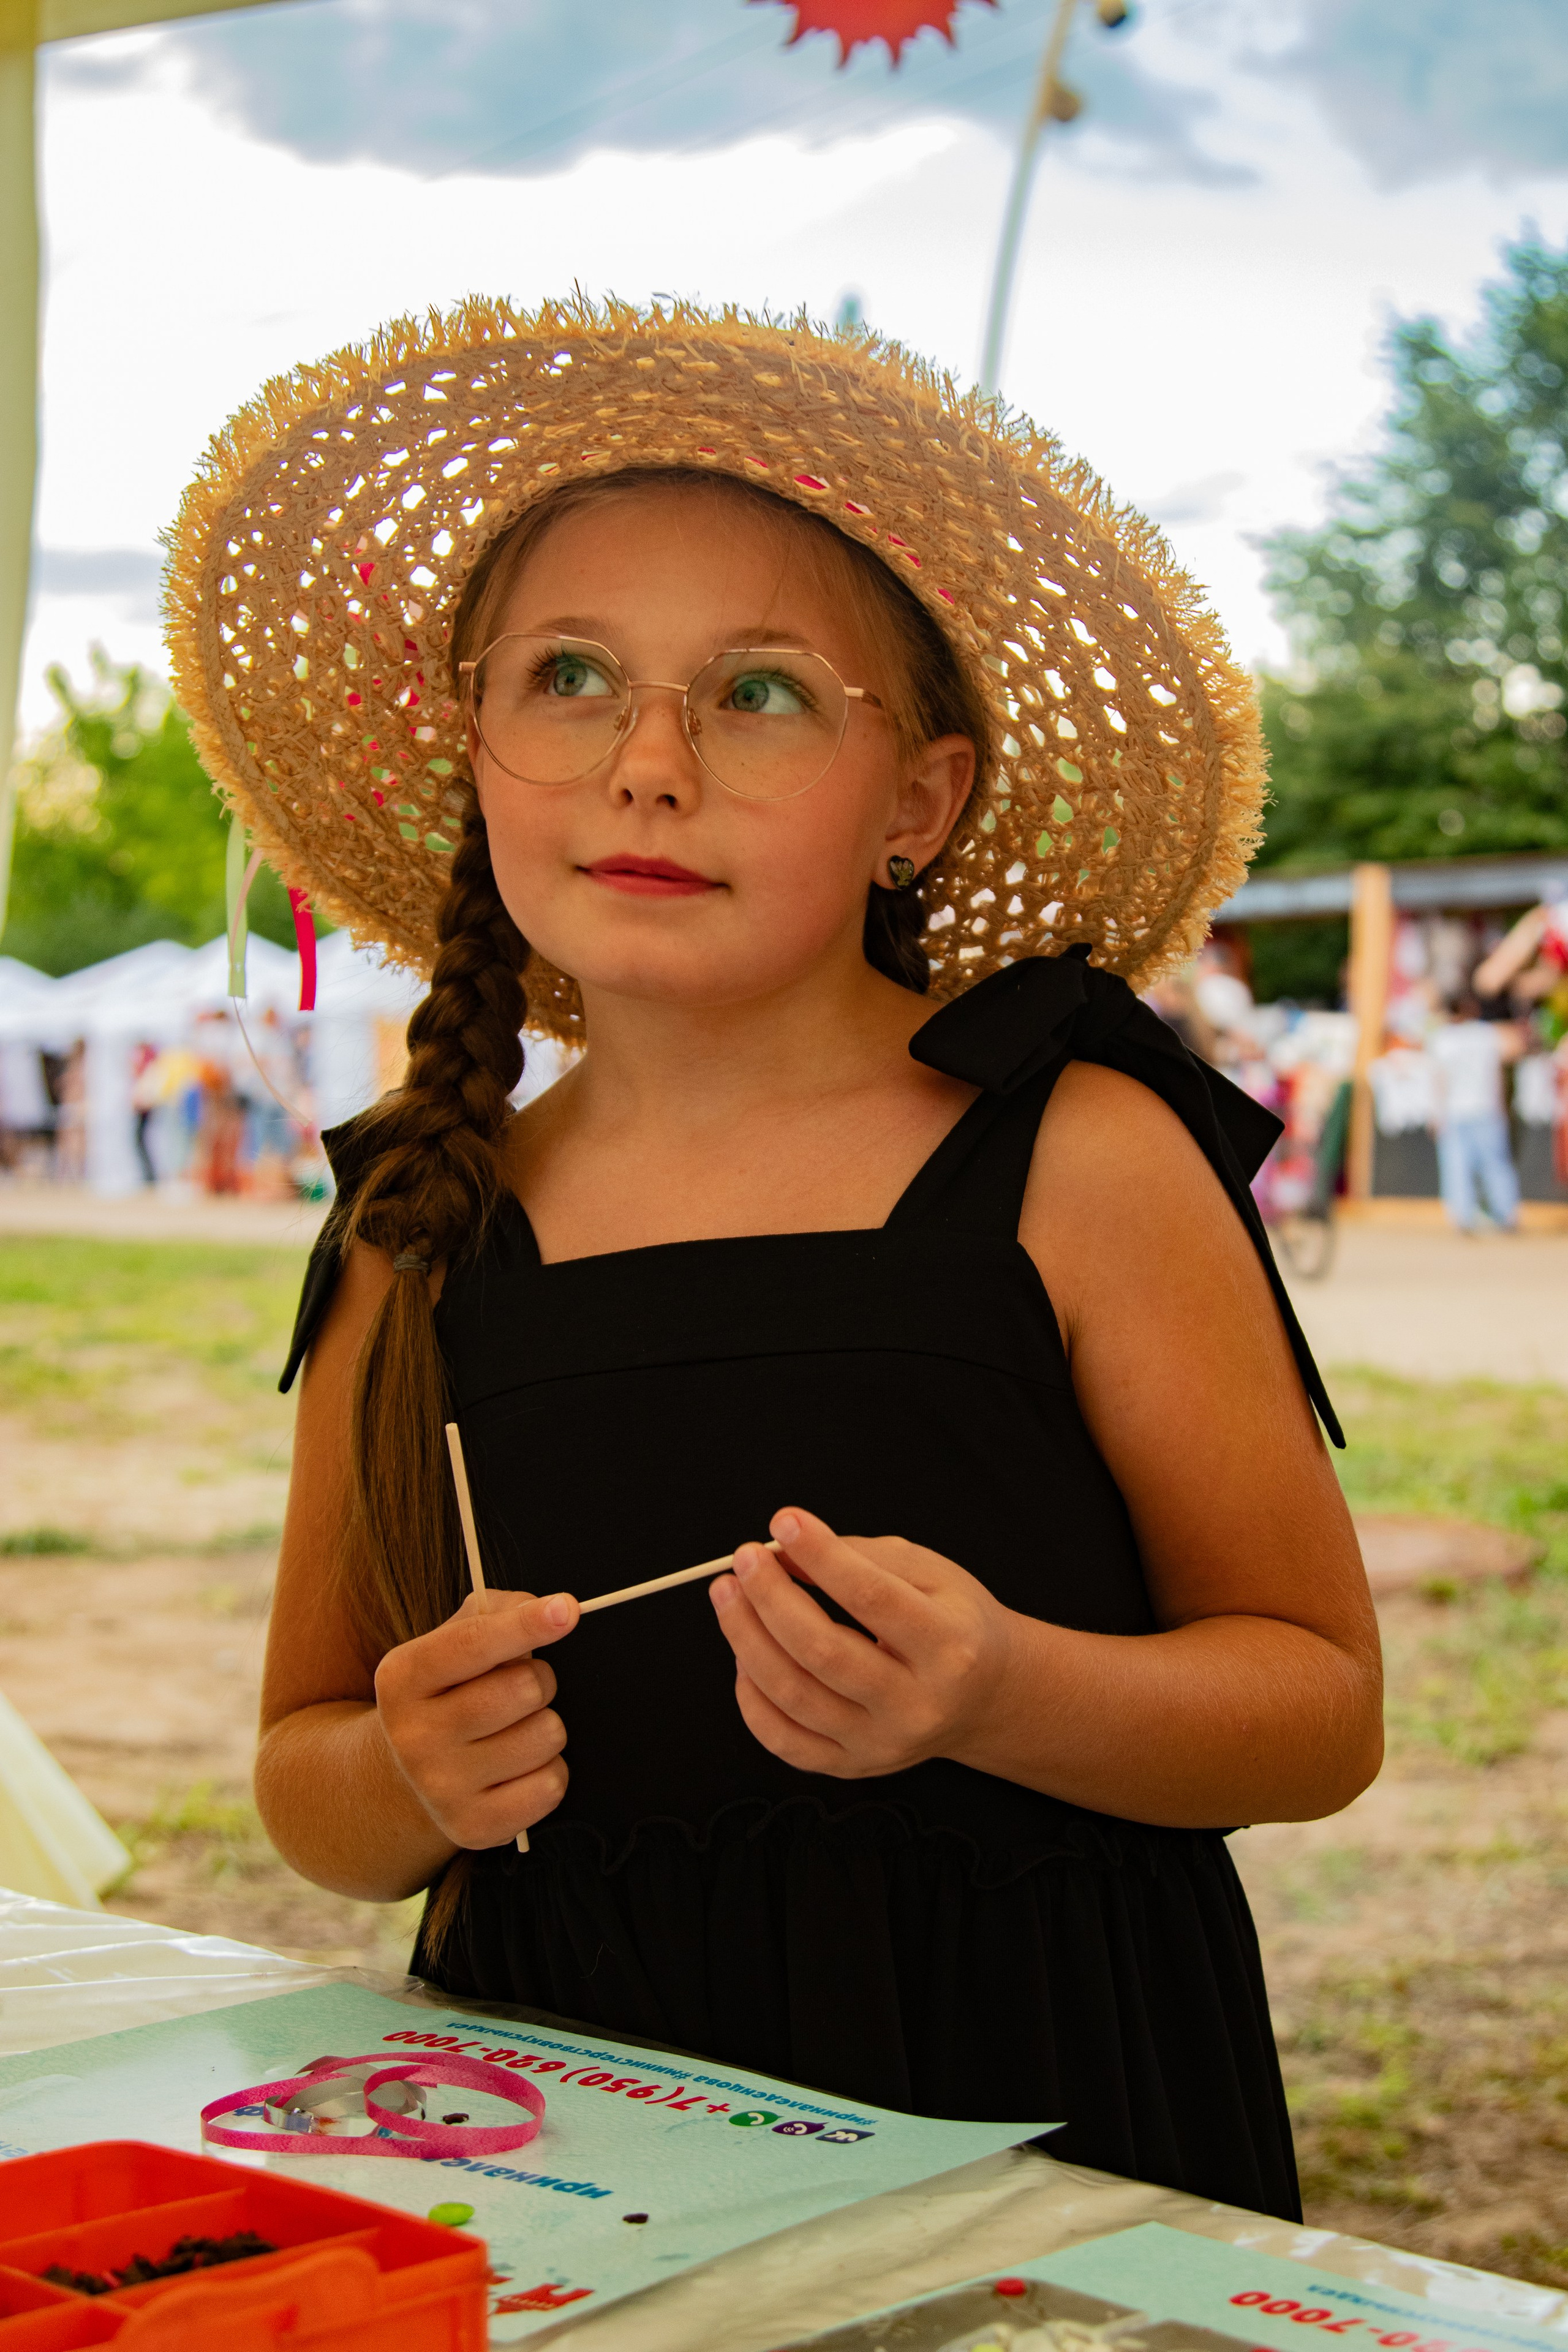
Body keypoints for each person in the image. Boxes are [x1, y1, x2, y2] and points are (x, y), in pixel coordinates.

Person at [165, 300, 1381, 2223]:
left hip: (1049, 2100)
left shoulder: (1076, 1152)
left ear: (920, 799)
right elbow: (310, 1769)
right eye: (570, 676)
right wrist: (410, 1770)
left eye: (756, 692)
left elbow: (1316, 1705)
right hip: (574, 2133)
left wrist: (1000, 1689)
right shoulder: (417, 1218)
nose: (648, 765)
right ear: (476, 747)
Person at [1428, 993, 1524, 1234]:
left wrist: (1436, 1114)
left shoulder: (1442, 1039)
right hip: (1486, 1109)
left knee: (1456, 1167)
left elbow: (1440, 1081)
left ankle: (1463, 1218)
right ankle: (1507, 1215)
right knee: (1496, 1165)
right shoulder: (1487, 1035)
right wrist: (1502, 1108)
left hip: (1455, 1111)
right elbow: (1499, 1073)